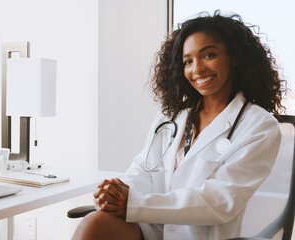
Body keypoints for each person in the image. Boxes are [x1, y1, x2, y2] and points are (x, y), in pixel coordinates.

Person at [72, 11, 286, 240]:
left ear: (234, 57)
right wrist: (116, 193)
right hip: (153, 229)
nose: (197, 69)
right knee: (94, 224)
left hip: (199, 235)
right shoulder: (171, 118)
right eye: (188, 61)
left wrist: (136, 204)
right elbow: (144, 169)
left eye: (209, 55)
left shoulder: (259, 125)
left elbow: (220, 201)